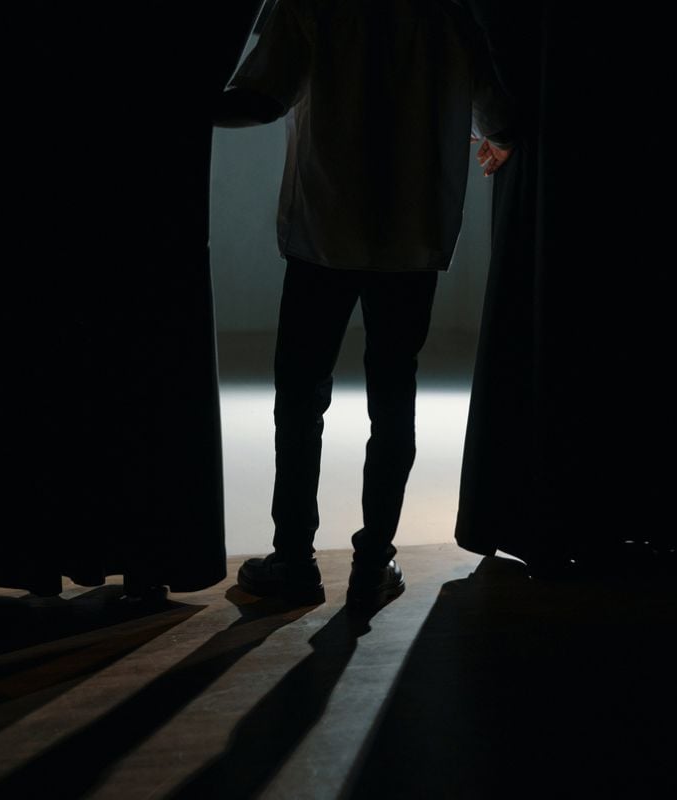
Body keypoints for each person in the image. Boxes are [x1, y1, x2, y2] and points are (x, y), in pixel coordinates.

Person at [213, 0, 513, 609]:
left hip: (324, 229)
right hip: (414, 234)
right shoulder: (451, 12)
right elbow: (499, 116)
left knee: (300, 397)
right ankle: (374, 561)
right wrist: (498, 141)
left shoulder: (309, 6)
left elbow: (262, 99)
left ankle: (295, 560)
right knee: (394, 393)